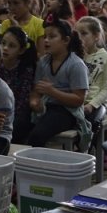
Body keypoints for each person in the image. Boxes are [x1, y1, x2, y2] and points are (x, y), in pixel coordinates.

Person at [28, 20, 90, 148]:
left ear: (66, 40)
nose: (46, 40)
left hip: (67, 111)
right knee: (18, 126)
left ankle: (36, 160)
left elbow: (79, 100)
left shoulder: (76, 64)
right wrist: (34, 102)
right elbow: (36, 91)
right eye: (45, 37)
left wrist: (52, 92)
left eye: (52, 37)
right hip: (46, 106)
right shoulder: (43, 62)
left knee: (36, 136)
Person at [75, 17, 107, 135]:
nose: (79, 37)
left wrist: (92, 105)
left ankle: (90, 145)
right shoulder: (74, 56)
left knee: (92, 122)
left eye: (84, 33)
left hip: (98, 103)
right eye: (77, 34)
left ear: (96, 36)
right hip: (77, 101)